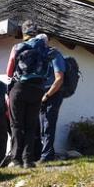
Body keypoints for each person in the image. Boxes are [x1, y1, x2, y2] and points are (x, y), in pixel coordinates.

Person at [6, 20, 50, 168]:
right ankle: (28, 160)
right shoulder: (44, 47)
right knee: (31, 125)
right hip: (37, 89)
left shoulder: (17, 47)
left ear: (23, 32)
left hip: (20, 88)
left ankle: (16, 160)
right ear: (36, 31)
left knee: (17, 125)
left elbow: (9, 70)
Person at [39, 35, 66, 163]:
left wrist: (47, 95)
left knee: (48, 124)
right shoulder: (39, 56)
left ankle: (46, 156)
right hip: (41, 94)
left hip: (53, 93)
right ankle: (46, 153)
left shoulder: (55, 54)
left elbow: (59, 79)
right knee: (42, 125)